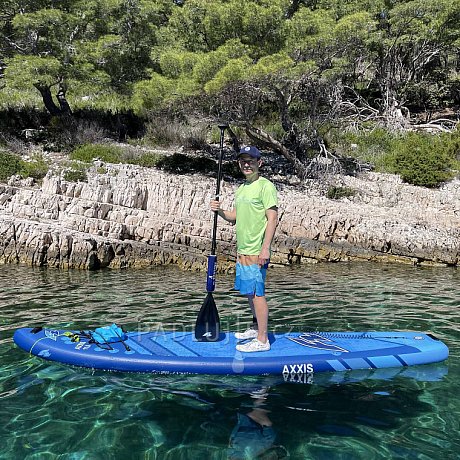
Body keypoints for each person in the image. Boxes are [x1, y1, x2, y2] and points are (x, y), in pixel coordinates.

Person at [210, 146, 278, 352]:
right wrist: (219, 211)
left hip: (257, 250)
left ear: (260, 162)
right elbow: (234, 216)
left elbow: (273, 219)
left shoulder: (266, 186)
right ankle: (256, 327)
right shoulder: (241, 189)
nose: (246, 164)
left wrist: (265, 248)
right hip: (243, 250)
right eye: (243, 161)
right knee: (249, 292)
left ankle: (262, 340)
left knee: (257, 293)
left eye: (251, 160)